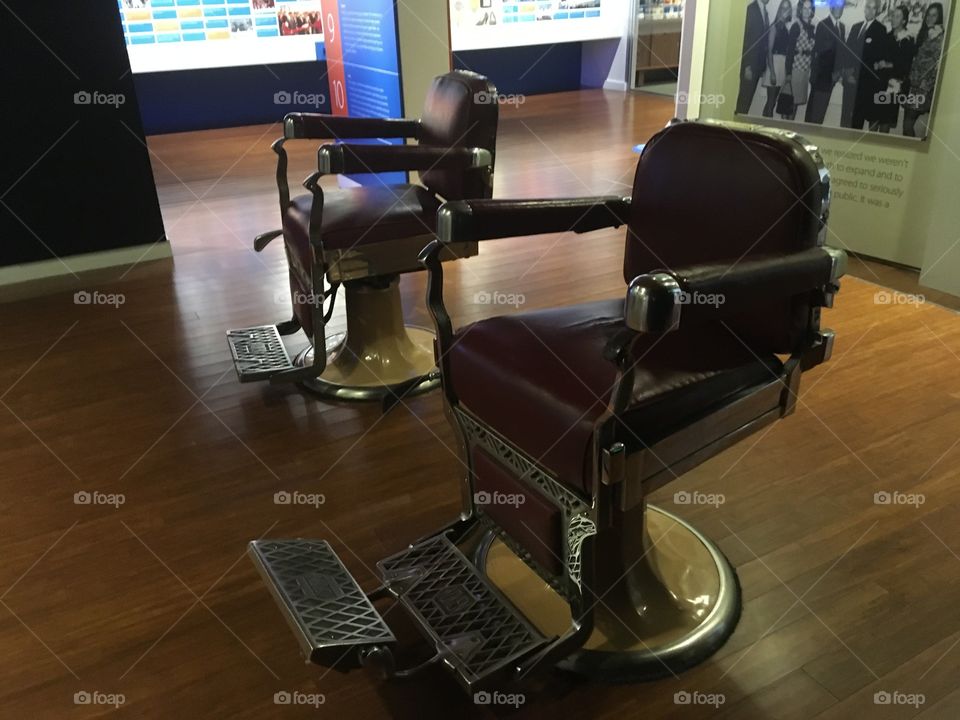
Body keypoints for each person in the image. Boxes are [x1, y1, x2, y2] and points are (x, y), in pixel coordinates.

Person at [845, 0, 890, 130]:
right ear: (864, 9)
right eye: (868, 7)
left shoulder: (881, 30)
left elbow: (875, 58)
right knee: (849, 117)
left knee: (860, 119)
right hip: (850, 81)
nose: (870, 11)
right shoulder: (856, 27)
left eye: (874, 8)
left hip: (866, 84)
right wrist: (848, 74)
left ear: (877, 11)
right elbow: (848, 53)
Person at [904, 2, 945, 137]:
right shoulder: (924, 34)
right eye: (928, 14)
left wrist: (926, 86)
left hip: (922, 89)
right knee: (907, 123)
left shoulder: (940, 37)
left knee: (907, 124)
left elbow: (937, 66)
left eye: (934, 15)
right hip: (913, 87)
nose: (930, 18)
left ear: (939, 18)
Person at [874, 4, 915, 133]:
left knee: (885, 122)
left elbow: (905, 66)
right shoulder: (887, 36)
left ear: (904, 21)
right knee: (874, 118)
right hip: (881, 83)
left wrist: (887, 64)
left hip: (894, 86)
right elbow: (880, 56)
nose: (893, 19)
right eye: (893, 15)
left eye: (898, 17)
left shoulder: (907, 39)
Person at [805, 0, 847, 124]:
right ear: (831, 8)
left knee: (821, 113)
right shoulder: (823, 25)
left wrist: (838, 73)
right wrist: (830, 74)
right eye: (837, 7)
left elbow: (840, 53)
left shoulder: (842, 27)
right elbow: (819, 53)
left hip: (831, 79)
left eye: (841, 8)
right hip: (821, 78)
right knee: (814, 114)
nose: (839, 10)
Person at [737, 0, 773, 115]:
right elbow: (746, 39)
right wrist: (747, 66)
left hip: (757, 66)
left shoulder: (765, 11)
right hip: (750, 66)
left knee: (747, 101)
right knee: (744, 101)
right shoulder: (752, 10)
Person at [783, 0, 816, 121]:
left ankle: (788, 128)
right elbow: (790, 52)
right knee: (789, 105)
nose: (807, 11)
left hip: (805, 71)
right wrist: (788, 74)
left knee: (795, 104)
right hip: (795, 70)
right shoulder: (796, 26)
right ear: (800, 10)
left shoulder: (812, 28)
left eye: (810, 8)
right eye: (805, 8)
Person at [763, 0, 794, 117]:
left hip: (782, 65)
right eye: (783, 8)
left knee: (772, 102)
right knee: (770, 103)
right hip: (774, 65)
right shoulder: (774, 26)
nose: (785, 11)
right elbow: (769, 51)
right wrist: (772, 72)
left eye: (787, 8)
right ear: (779, 10)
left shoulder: (786, 27)